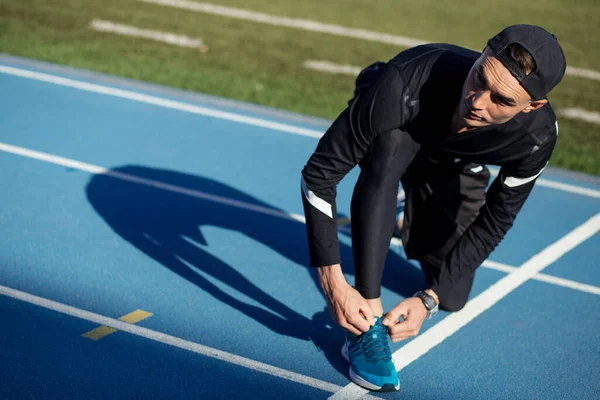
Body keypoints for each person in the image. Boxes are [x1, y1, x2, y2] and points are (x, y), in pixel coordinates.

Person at [300, 24, 566, 391]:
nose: (477, 100)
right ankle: (367, 324)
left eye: (500, 101)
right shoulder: (405, 82)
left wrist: (429, 299)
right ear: (481, 55)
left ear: (531, 106)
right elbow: (319, 174)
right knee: (388, 152)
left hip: (451, 163)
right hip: (400, 128)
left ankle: (400, 214)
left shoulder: (536, 138)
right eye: (480, 77)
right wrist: (333, 283)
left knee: (453, 295)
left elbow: (496, 221)